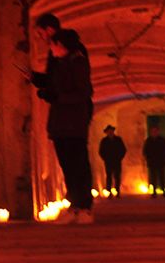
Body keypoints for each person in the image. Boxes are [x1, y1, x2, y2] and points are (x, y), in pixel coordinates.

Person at [30, 17, 95, 223]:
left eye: (52, 45)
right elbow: (54, 84)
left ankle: (84, 207)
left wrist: (57, 96)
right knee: (67, 165)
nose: (49, 49)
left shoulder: (77, 61)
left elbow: (83, 92)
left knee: (78, 163)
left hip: (73, 121)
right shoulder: (60, 63)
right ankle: (74, 206)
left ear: (61, 45)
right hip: (60, 121)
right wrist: (40, 83)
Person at [98, 125, 126, 197]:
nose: (110, 132)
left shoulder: (118, 140)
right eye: (109, 131)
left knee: (117, 176)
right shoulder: (104, 141)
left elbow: (123, 149)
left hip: (117, 161)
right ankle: (109, 192)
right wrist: (105, 158)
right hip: (108, 161)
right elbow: (101, 151)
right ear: (107, 132)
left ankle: (117, 191)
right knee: (109, 177)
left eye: (111, 131)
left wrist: (119, 158)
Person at [142, 125, 165, 197]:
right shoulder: (148, 140)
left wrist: (163, 158)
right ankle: (154, 191)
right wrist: (147, 158)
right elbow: (145, 150)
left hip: (160, 161)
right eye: (153, 131)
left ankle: (163, 189)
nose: (154, 132)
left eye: (155, 131)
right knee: (153, 177)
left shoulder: (162, 140)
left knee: (161, 176)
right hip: (152, 161)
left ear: (158, 132)